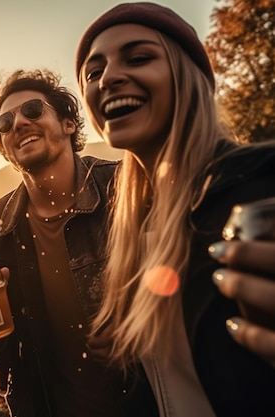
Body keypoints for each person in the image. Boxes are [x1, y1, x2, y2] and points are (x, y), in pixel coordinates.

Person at [75, 2, 275, 416]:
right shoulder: (138, 222)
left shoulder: (258, 183)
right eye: (94, 72)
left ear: (191, 77)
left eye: (140, 57)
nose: (109, 77)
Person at [0, 69, 157, 416]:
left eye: (32, 110)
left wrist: (142, 317)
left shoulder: (124, 187)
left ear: (68, 124)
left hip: (144, 402)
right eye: (4, 123)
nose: (17, 124)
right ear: (3, 146)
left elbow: (183, 281)